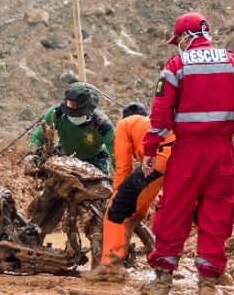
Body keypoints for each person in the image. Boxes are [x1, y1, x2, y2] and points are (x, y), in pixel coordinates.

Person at [140, 12, 234, 295]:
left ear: (186, 37)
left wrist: (150, 149)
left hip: (187, 152)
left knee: (173, 212)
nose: (178, 45)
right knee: (217, 216)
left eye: (178, 40)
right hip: (223, 152)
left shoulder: (176, 66)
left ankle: (162, 282)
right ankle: (208, 286)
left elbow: (161, 116)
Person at [82, 102, 175, 282]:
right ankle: (214, 270)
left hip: (162, 157)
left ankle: (111, 268)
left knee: (116, 210)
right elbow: (149, 189)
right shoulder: (148, 124)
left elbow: (123, 167)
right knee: (186, 213)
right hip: (186, 157)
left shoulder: (124, 124)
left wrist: (117, 195)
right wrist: (138, 212)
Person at [26, 82, 115, 239]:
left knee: (100, 206)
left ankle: (102, 246)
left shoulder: (102, 125)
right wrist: (32, 155)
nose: (73, 116)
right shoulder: (57, 113)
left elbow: (115, 152)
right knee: (48, 202)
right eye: (70, 112)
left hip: (95, 163)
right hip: (67, 163)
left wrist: (122, 177)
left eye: (78, 113)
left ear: (89, 110)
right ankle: (33, 240)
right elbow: (39, 136)